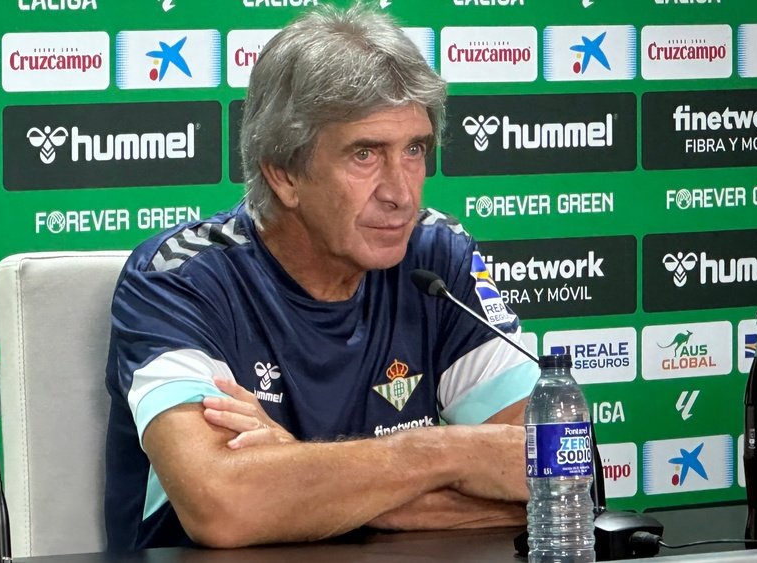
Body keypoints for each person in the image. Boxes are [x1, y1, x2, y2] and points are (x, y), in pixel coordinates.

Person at [103, 2, 540, 551]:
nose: (401, 192)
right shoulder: (179, 280)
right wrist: (442, 453)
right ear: (284, 173)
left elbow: (563, 471)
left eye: (414, 150)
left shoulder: (435, 257)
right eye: (364, 154)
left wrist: (295, 470)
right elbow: (226, 508)